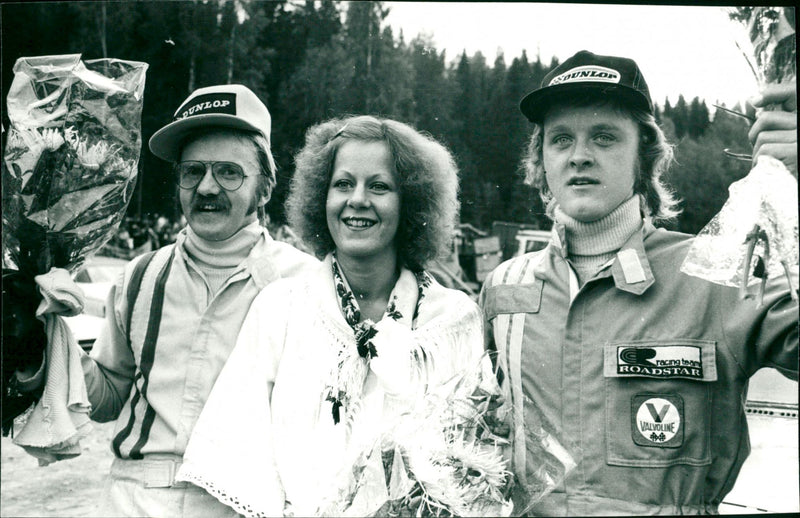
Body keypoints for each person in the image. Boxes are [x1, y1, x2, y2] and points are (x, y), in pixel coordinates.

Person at [480, 50, 798, 515]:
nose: (580, 156)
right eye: (561, 139)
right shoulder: (505, 289)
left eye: (604, 137)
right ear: (541, 160)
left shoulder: (716, 274)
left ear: (643, 157)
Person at [177, 115, 506, 516]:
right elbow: (235, 460)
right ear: (321, 198)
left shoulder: (452, 320)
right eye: (343, 184)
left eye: (380, 186)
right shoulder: (281, 307)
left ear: (412, 202)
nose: (358, 200)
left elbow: (473, 465)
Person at [20, 84, 317, 517]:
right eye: (192, 171)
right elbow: (108, 401)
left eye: (229, 172)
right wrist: (49, 331)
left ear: (266, 188)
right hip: (135, 496)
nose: (207, 187)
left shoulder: (305, 284)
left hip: (247, 500)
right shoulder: (141, 275)